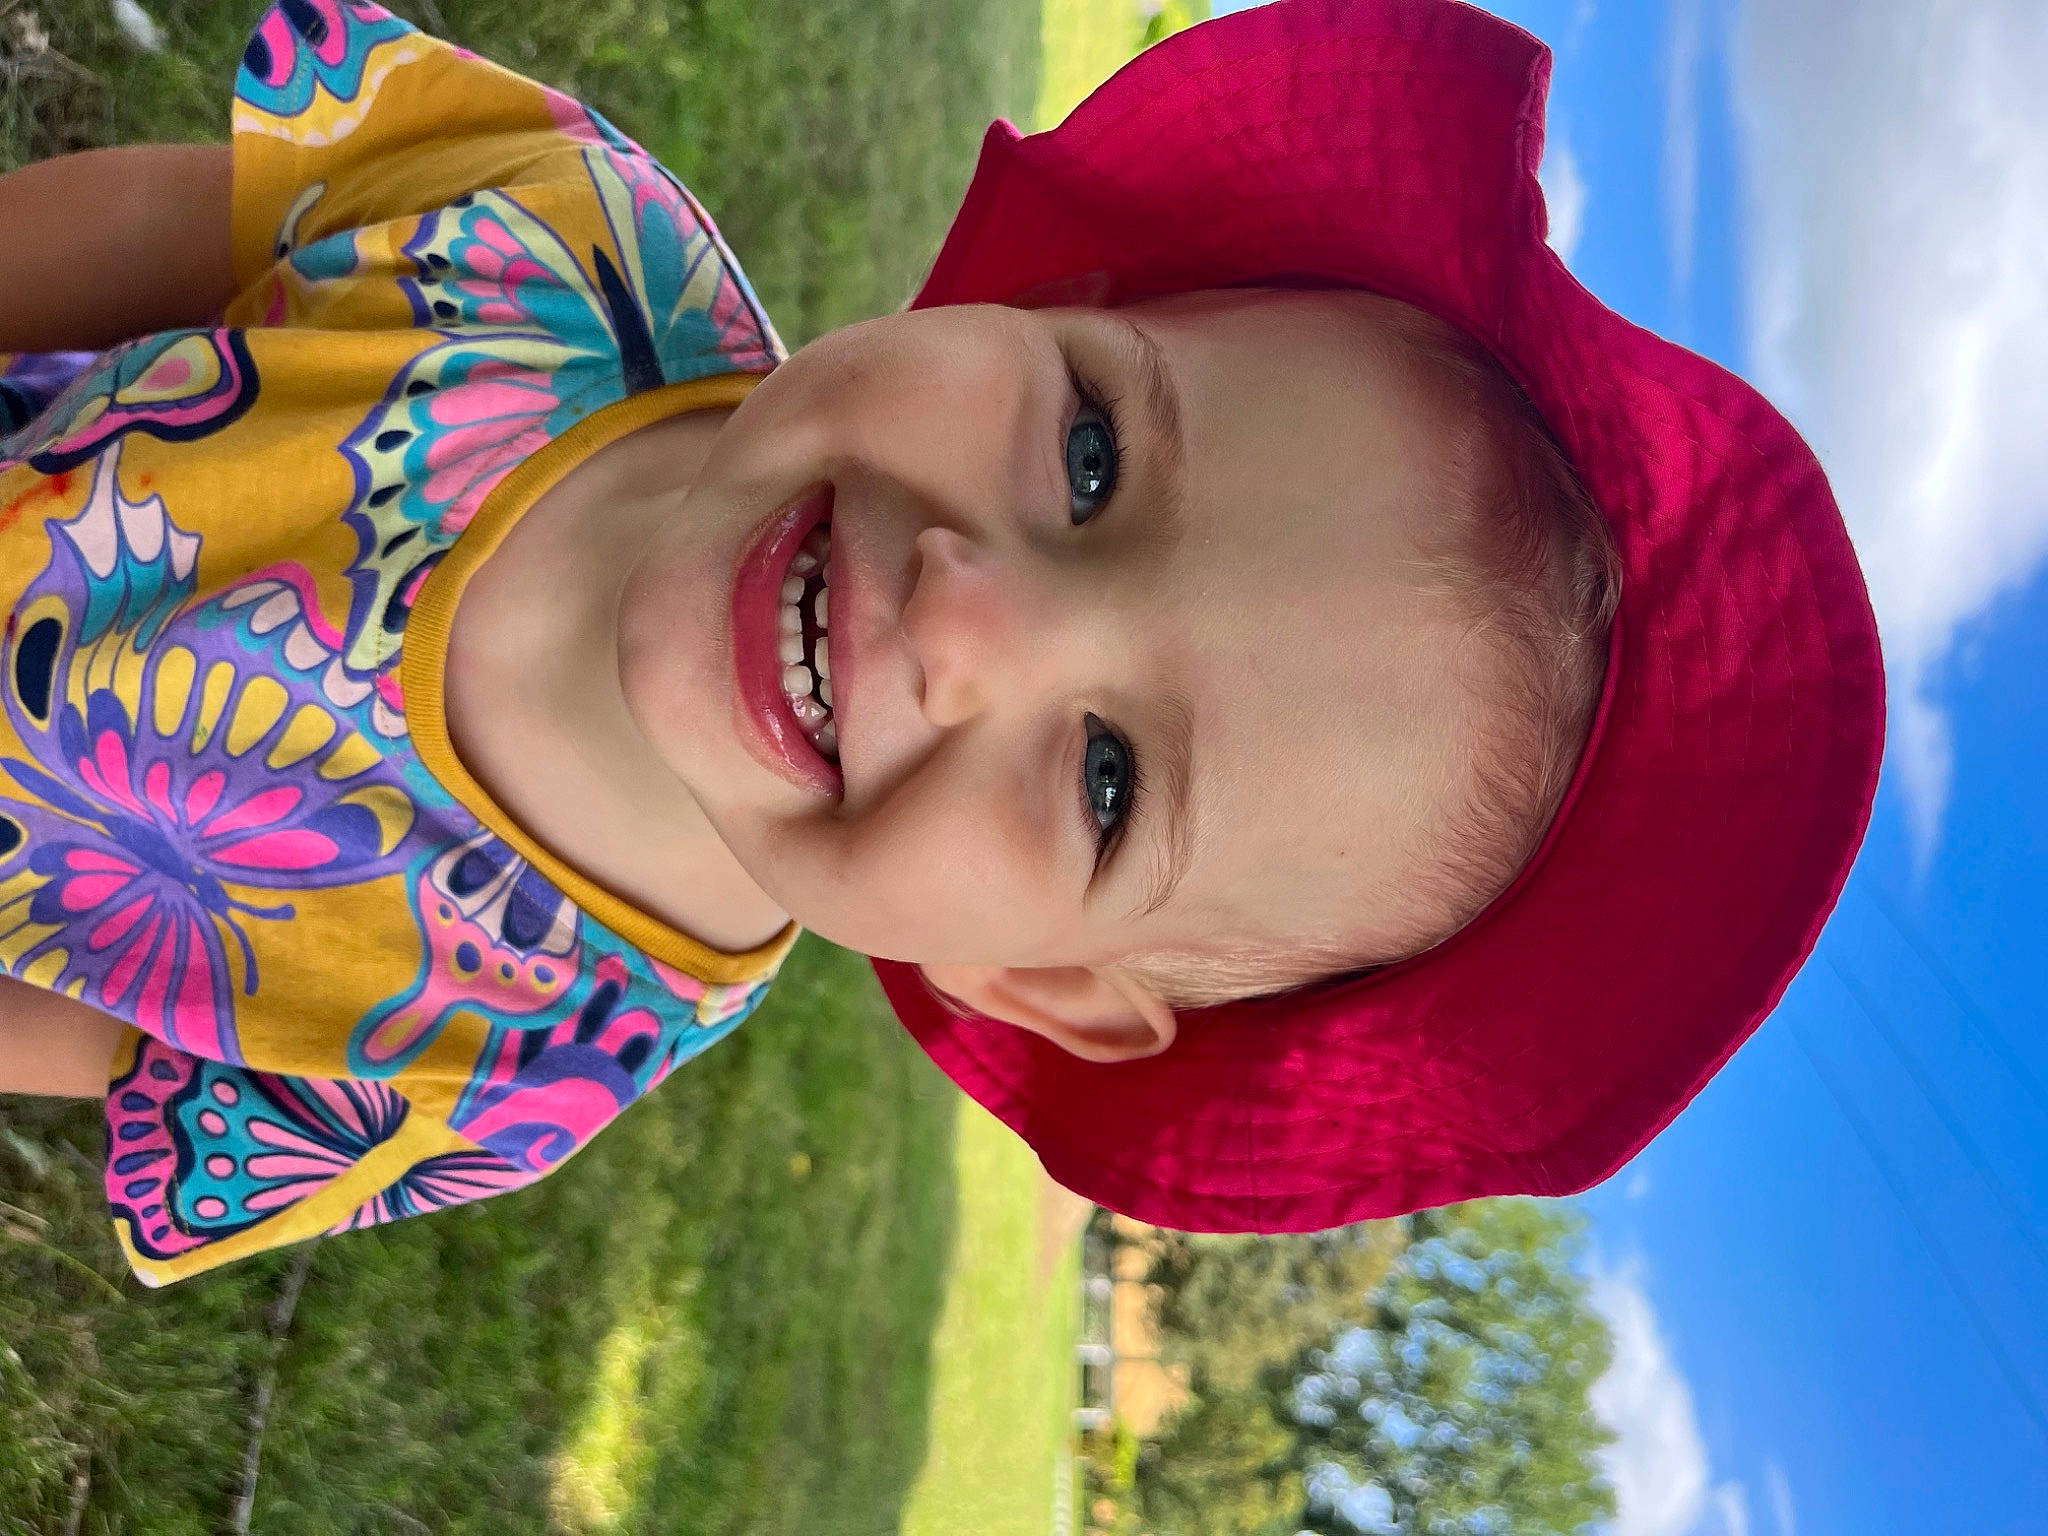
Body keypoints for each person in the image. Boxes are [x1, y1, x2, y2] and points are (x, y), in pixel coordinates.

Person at [0, 0, 1885, 1286]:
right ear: (1057, 302)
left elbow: (119, 1034)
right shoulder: (563, 253)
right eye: (1090, 449)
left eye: (1111, 775)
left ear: (1041, 985)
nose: (972, 612)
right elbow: (198, 225)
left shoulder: (525, 1048)